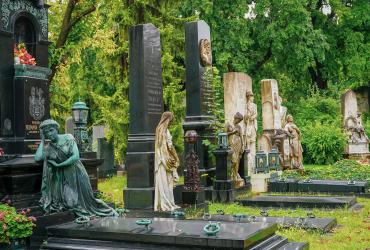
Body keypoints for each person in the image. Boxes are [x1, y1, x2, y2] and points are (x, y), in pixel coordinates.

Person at [35, 119, 117, 217]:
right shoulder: (49, 147)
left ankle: (106, 211)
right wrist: (42, 140)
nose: (49, 134)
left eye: (51, 130)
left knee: (86, 202)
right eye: (46, 133)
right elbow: (38, 157)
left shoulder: (68, 138)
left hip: (75, 173)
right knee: (70, 203)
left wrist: (59, 165)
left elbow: (75, 156)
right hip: (62, 178)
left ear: (57, 129)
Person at [154, 112, 180, 212]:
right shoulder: (165, 131)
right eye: (171, 120)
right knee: (167, 182)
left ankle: (164, 202)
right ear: (168, 119)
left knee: (163, 182)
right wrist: (176, 157)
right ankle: (167, 202)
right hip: (166, 159)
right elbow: (170, 146)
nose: (171, 122)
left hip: (160, 159)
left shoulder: (158, 129)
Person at [226, 112, 245, 187]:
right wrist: (233, 132)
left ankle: (235, 175)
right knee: (233, 160)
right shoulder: (228, 124)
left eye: (240, 121)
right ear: (235, 118)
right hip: (231, 143)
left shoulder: (239, 127)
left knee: (237, 160)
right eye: (238, 120)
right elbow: (225, 134)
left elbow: (241, 136)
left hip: (238, 144)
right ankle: (229, 174)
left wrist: (243, 145)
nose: (239, 121)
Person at [244, 91, 257, 174]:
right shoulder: (246, 105)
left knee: (253, 142)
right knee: (248, 142)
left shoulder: (254, 105)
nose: (253, 98)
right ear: (249, 97)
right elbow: (245, 116)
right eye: (251, 96)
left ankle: (254, 163)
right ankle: (248, 162)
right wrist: (247, 117)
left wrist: (252, 117)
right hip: (248, 126)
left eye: (253, 96)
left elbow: (256, 114)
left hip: (253, 125)